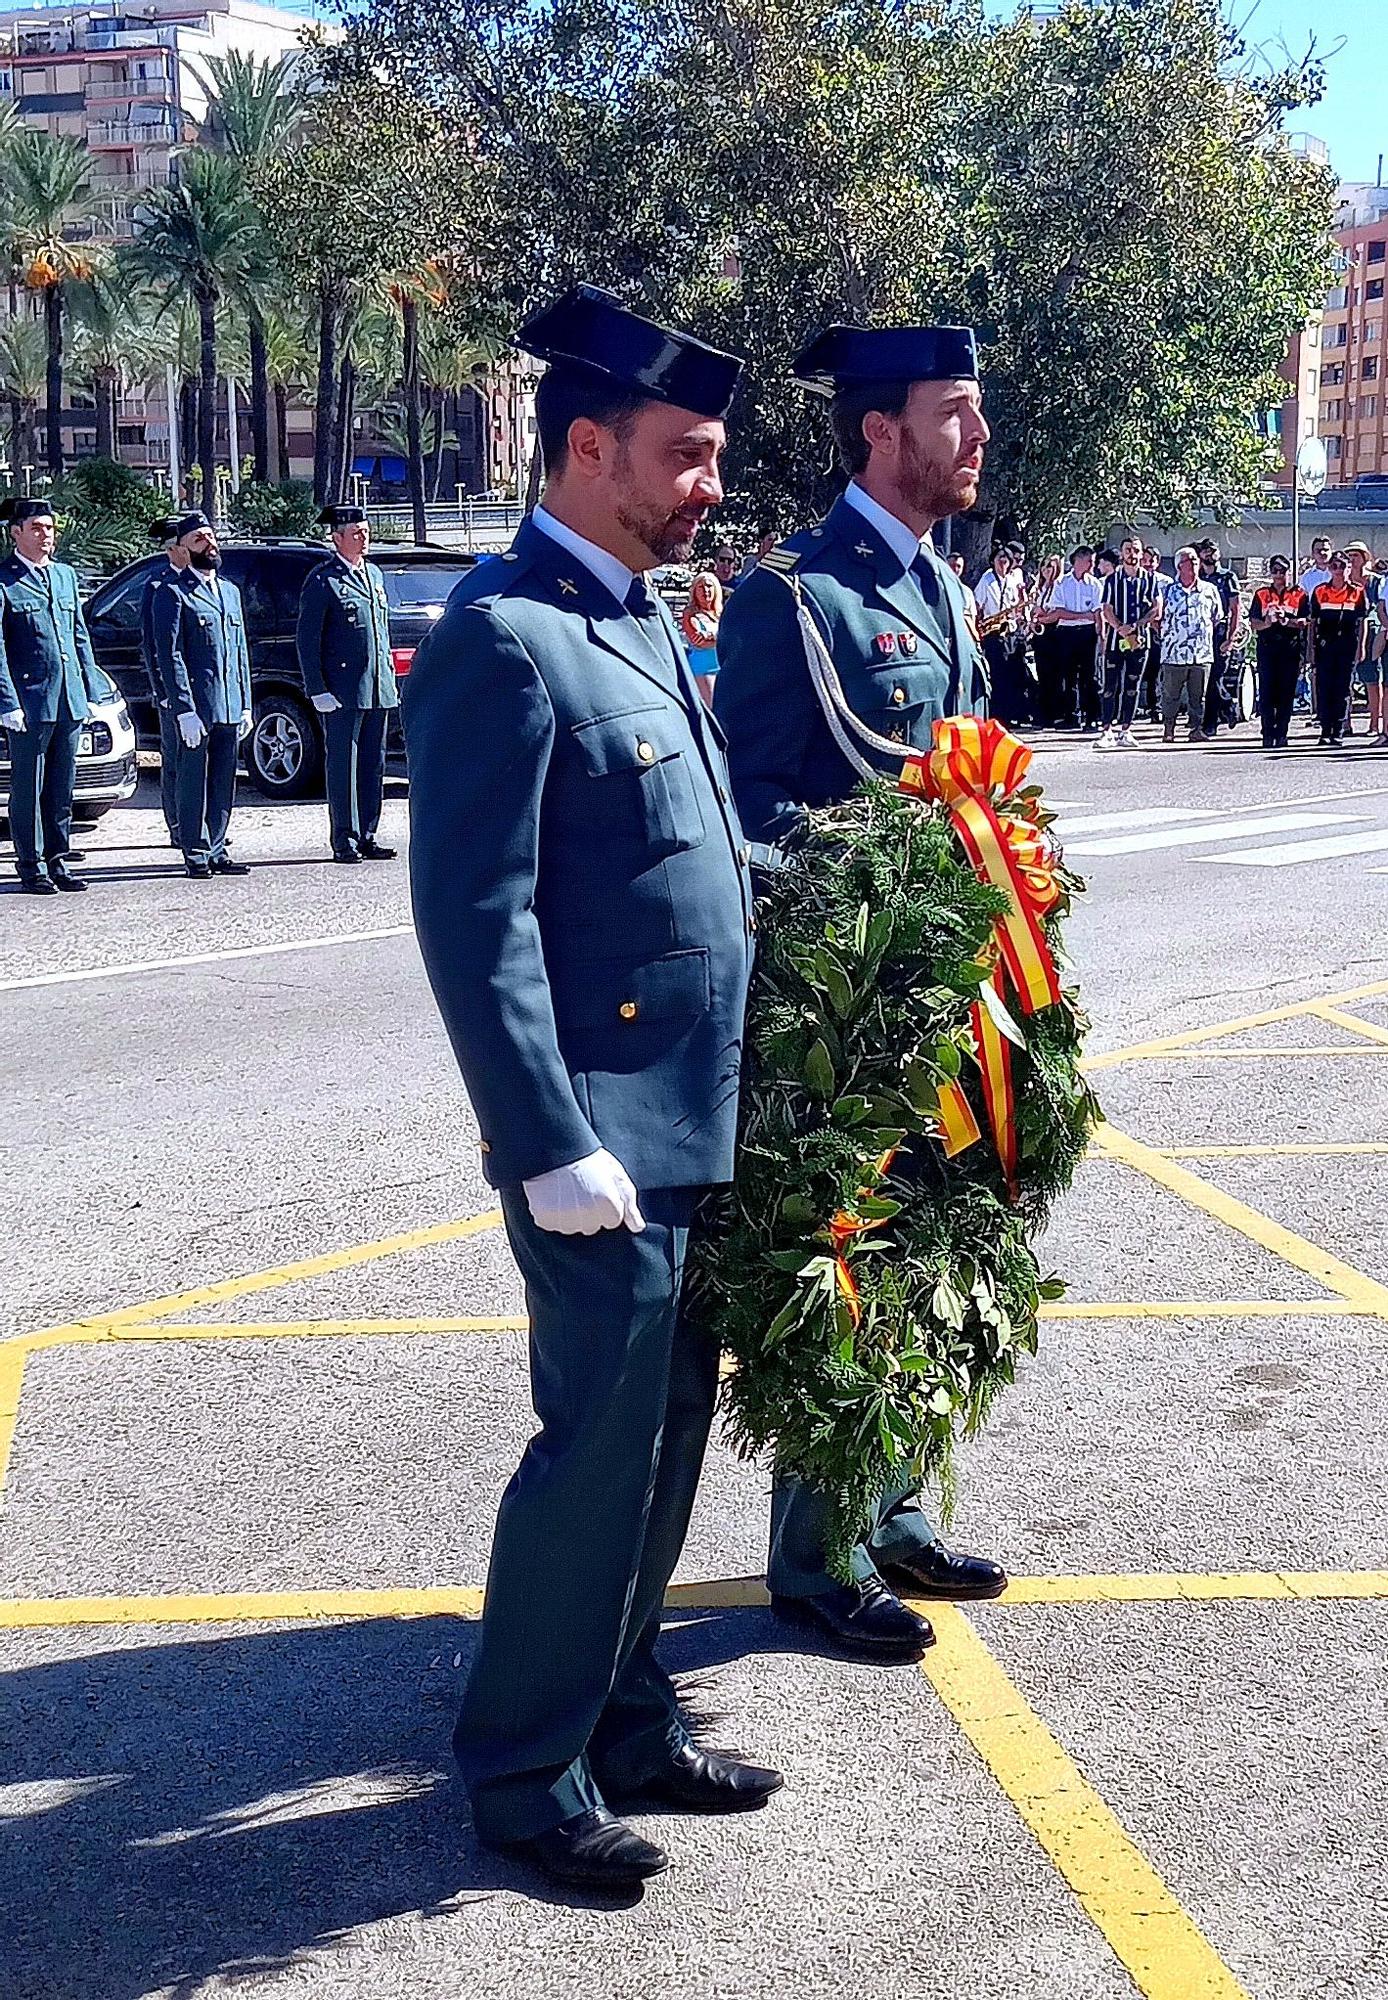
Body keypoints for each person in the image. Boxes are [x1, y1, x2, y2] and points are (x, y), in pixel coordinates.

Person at [404, 283, 774, 1895]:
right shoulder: (509, 634)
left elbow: (691, 862)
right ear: (585, 447)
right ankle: (520, 1768)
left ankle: (626, 1712)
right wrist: (545, 1138)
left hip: (691, 1119)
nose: (708, 485)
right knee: (595, 1453)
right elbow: (471, 922)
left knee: (671, 1435)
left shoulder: (635, 615)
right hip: (598, 1139)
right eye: (684, 455)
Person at [715, 321, 1006, 1666]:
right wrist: (861, 906)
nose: (978, 438)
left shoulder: (940, 587)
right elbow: (757, 811)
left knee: (930, 1267)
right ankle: (814, 1562)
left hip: (945, 994)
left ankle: (889, 1514)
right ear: (881, 431)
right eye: (957, 413)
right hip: (847, 1012)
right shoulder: (795, 596)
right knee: (842, 1271)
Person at [0, 496, 102, 896]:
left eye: (50, 528)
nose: (46, 536)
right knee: (29, 786)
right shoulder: (5, 581)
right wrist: (7, 702)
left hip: (68, 698)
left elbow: (78, 636)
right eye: (37, 529)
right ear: (16, 534)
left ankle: (58, 858)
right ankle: (31, 863)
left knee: (62, 786)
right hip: (30, 701)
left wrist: (89, 689)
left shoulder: (63, 576)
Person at [296, 503, 399, 864]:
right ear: (337, 538)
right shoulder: (324, 580)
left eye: (366, 531)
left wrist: (388, 679)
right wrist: (317, 688)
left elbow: (380, 632)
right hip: (341, 689)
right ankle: (345, 837)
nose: (364, 537)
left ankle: (368, 833)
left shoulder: (373, 574)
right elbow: (308, 639)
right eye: (356, 533)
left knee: (374, 764)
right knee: (343, 764)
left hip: (376, 686)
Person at [152, 513, 252, 880]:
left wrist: (245, 703)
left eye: (211, 536)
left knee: (224, 778)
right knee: (194, 779)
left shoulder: (229, 591)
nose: (209, 544)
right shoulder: (173, 593)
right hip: (198, 706)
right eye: (199, 539)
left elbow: (239, 651)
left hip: (227, 702)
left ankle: (217, 846)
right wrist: (183, 708)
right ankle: (194, 850)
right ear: (183, 549)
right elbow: (170, 655)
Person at [142, 514, 200, 850]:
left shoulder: (202, 580)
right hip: (173, 689)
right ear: (173, 550)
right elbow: (154, 645)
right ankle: (177, 822)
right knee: (176, 757)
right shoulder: (158, 586)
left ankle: (199, 824)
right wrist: (162, 690)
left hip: (202, 689)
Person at [1098, 532, 1161, 747]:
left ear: (1141, 554)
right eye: (1128, 550)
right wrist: (1118, 627)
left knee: (1132, 685)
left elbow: (1156, 609)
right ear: (1122, 554)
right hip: (1117, 639)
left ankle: (1126, 729)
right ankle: (1107, 729)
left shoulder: (1150, 579)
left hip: (1140, 639)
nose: (1132, 554)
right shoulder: (1112, 579)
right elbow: (1106, 608)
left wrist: (1135, 626)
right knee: (1110, 685)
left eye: (1135, 550)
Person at [1157, 546, 1222, 744]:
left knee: (1198, 695)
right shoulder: (1167, 591)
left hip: (1201, 653)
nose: (1193, 564)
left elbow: (1216, 617)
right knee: (1171, 695)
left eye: (1195, 560)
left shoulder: (1209, 590)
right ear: (1179, 566)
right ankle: (1169, 729)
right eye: (1188, 561)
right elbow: (1157, 617)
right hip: (1174, 653)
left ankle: (1196, 728)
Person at [1249, 555, 1310, 750]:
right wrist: (1267, 623)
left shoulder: (1299, 594)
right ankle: (1267, 733)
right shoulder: (1262, 594)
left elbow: (1305, 621)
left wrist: (1287, 621)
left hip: (1290, 649)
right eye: (1275, 571)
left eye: (1282, 571)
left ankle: (1282, 732)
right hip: (1267, 648)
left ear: (1288, 572)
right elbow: (1254, 623)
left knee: (1286, 693)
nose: (1278, 575)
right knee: (1267, 693)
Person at [1308, 550, 1368, 747]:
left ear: (1348, 568)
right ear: (1329, 568)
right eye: (1334, 566)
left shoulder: (1357, 591)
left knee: (1343, 688)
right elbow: (1313, 623)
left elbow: (1362, 622)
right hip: (1325, 646)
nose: (1338, 570)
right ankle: (1325, 730)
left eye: (1342, 566)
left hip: (1348, 645)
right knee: (1324, 688)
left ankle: (1339, 730)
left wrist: (1361, 647)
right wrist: (1310, 649)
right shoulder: (1320, 591)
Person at [973, 541, 1029, 726]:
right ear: (993, 561)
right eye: (1000, 560)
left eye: (1006, 561)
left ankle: (1012, 713)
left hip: (1010, 630)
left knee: (1012, 673)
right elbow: (978, 604)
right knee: (998, 674)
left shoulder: (1013, 580)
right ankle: (998, 715)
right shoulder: (987, 579)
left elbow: (1016, 607)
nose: (1003, 564)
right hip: (993, 632)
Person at [1048, 546, 1103, 730]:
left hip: (1088, 634)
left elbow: (1097, 612)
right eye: (1090, 561)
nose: (1092, 565)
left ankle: (1092, 717)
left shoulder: (1095, 584)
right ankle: (1071, 715)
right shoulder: (1062, 583)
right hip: (1067, 633)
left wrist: (1100, 635)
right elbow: (1059, 612)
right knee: (1068, 675)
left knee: (1090, 676)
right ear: (1079, 560)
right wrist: (1083, 615)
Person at [1193, 539, 1242, 737]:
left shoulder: (1227, 576)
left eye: (1212, 550)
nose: (1209, 554)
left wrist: (1230, 638)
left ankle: (1210, 724)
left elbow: (1235, 608)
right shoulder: (1199, 578)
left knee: (1215, 677)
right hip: (1202, 633)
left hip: (1220, 630)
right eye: (1205, 551)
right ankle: (1228, 704)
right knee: (1205, 678)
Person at [1346, 541, 1379, 738]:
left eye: (1355, 555)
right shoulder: (1342, 580)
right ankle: (1345, 723)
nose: (1352, 559)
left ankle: (1374, 723)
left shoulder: (1375, 581)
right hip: (1348, 632)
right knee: (1346, 681)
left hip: (1372, 634)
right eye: (1349, 555)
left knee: (1372, 680)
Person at [1026, 551, 1064, 726]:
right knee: (1042, 674)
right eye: (1044, 565)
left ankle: (1055, 713)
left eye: (1050, 566)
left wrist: (1040, 617)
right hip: (1041, 633)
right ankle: (1044, 713)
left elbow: (1055, 613)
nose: (1046, 569)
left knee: (1054, 675)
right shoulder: (1042, 588)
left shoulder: (1058, 586)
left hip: (1053, 633)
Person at [681, 569, 723, 704]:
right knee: (713, 709)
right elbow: (699, 641)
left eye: (709, 586)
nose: (706, 590)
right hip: (703, 669)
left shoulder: (721, 613)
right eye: (701, 586)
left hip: (723, 668)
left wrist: (713, 637)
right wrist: (721, 639)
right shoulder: (690, 613)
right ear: (694, 590)